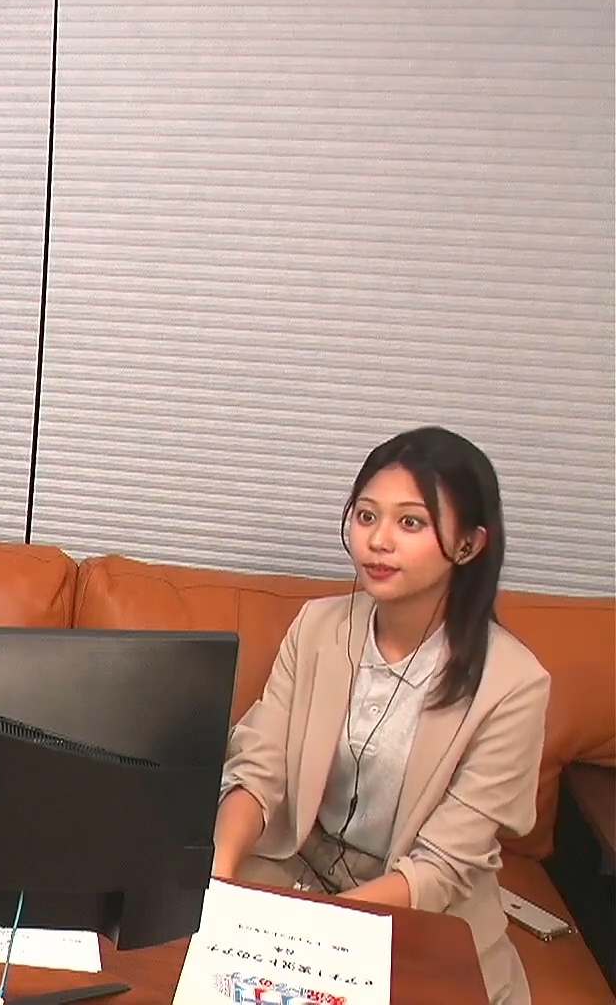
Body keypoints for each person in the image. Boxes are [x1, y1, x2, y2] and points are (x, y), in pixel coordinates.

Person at [212, 427, 548, 1005]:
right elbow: (259, 768)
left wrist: (305, 934)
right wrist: (220, 877)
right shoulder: (317, 627)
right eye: (366, 516)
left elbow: (440, 870)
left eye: (410, 523)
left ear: (469, 545)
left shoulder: (513, 684)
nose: (378, 541)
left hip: (418, 912)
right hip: (293, 875)